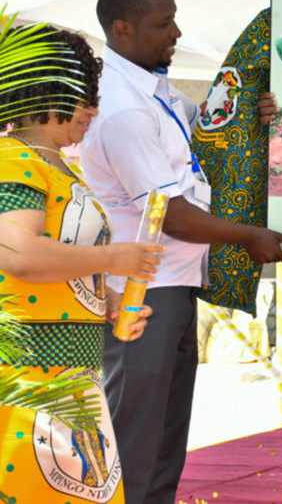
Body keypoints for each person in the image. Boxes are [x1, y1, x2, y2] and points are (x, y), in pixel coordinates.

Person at [79, 0, 282, 504]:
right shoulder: (123, 110)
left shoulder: (162, 95)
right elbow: (172, 214)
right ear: (123, 29)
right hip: (138, 300)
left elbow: (216, 141)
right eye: (163, 23)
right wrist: (249, 235)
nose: (177, 32)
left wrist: (257, 113)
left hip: (174, 289)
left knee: (164, 448)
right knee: (135, 448)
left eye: (175, 17)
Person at [0, 28, 163, 504]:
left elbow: (54, 259)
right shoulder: (15, 160)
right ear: (46, 91)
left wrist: (108, 301)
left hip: (69, 377)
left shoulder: (54, 165)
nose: (93, 110)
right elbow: (17, 253)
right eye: (83, 96)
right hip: (33, 378)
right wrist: (112, 258)